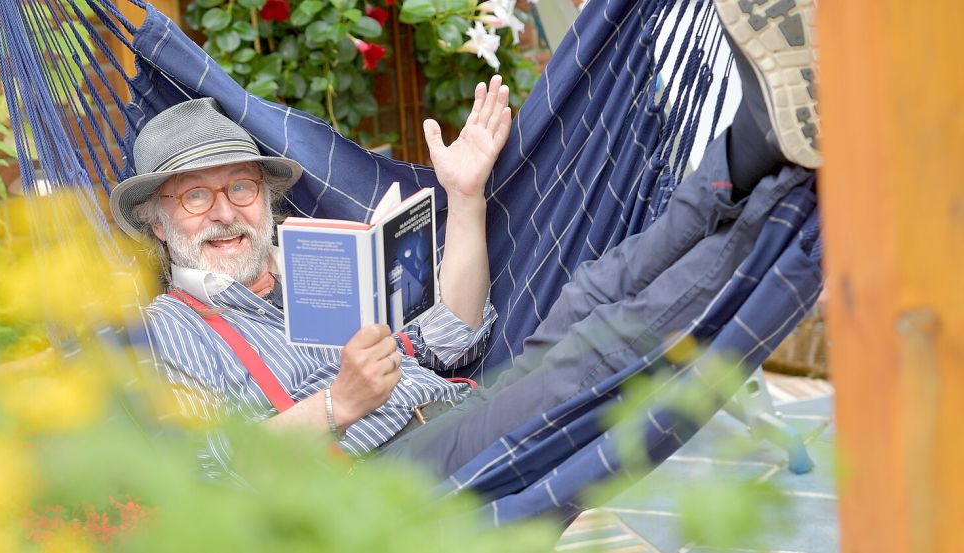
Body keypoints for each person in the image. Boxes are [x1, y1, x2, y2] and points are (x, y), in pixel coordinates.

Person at [110, 0, 819, 480]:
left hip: (454, 407)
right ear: (156, 218)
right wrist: (340, 403)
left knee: (589, 291)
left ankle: (751, 149)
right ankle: (795, 209)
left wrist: (466, 196)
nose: (224, 212)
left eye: (239, 188)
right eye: (195, 196)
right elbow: (210, 469)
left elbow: (450, 333)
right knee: (587, 359)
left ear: (264, 197)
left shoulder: (313, 269)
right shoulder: (163, 332)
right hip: (389, 479)